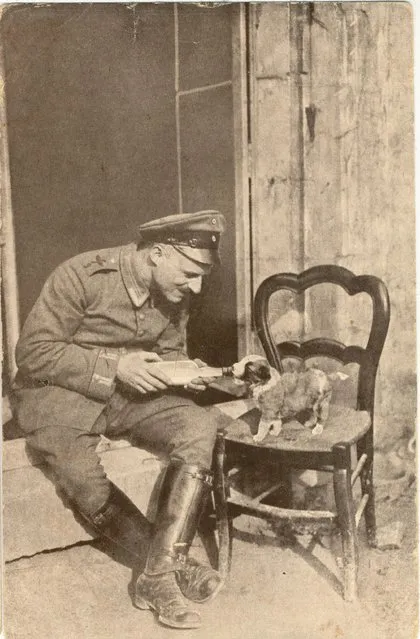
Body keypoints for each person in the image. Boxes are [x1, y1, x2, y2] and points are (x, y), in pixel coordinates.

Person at [12, 210, 234, 630]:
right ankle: (172, 565)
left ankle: (154, 577)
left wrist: (198, 374)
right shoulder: (81, 275)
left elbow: (168, 353)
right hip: (57, 394)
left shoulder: (175, 292)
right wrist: (116, 366)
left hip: (130, 395)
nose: (196, 286)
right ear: (157, 253)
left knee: (199, 426)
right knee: (76, 470)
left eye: (201, 275)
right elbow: (34, 353)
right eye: (189, 273)